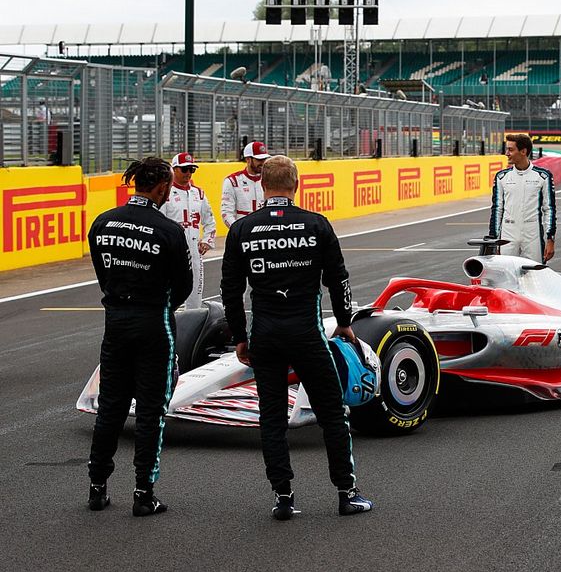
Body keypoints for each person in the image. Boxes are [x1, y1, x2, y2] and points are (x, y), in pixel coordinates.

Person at [220, 155, 373, 520]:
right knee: (332, 412)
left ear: (261, 186)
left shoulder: (243, 229)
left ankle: (283, 497)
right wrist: (345, 320)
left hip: (266, 335)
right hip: (306, 333)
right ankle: (346, 493)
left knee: (272, 417)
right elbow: (339, 278)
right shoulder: (316, 224)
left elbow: (229, 290)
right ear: (296, 185)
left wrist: (241, 337)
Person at [86, 157, 193, 517]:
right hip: (153, 325)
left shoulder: (102, 223)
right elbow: (184, 286)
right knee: (151, 412)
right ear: (163, 187)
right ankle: (143, 494)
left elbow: (103, 273)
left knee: (110, 408)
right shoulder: (168, 230)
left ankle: (97, 488)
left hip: (115, 322)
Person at [160, 152, 217, 310]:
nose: (188, 173)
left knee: (195, 296)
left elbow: (209, 220)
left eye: (192, 169)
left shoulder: (199, 193)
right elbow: (159, 223)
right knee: (169, 295)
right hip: (172, 252)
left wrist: (207, 241)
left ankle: (193, 330)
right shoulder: (165, 193)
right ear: (174, 170)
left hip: (194, 252)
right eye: (184, 169)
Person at [488, 134, 556, 263]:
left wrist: (550, 238)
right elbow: (497, 209)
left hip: (532, 233)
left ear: (523, 151)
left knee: (535, 274)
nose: (507, 153)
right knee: (506, 275)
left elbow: (549, 209)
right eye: (507, 149)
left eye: (511, 149)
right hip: (508, 232)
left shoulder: (543, 176)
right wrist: (494, 239)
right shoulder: (501, 177)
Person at [221, 141, 271, 228]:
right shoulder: (232, 181)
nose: (263, 163)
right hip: (243, 233)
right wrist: (238, 230)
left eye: (265, 159)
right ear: (248, 159)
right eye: (259, 159)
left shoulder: (271, 179)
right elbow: (226, 213)